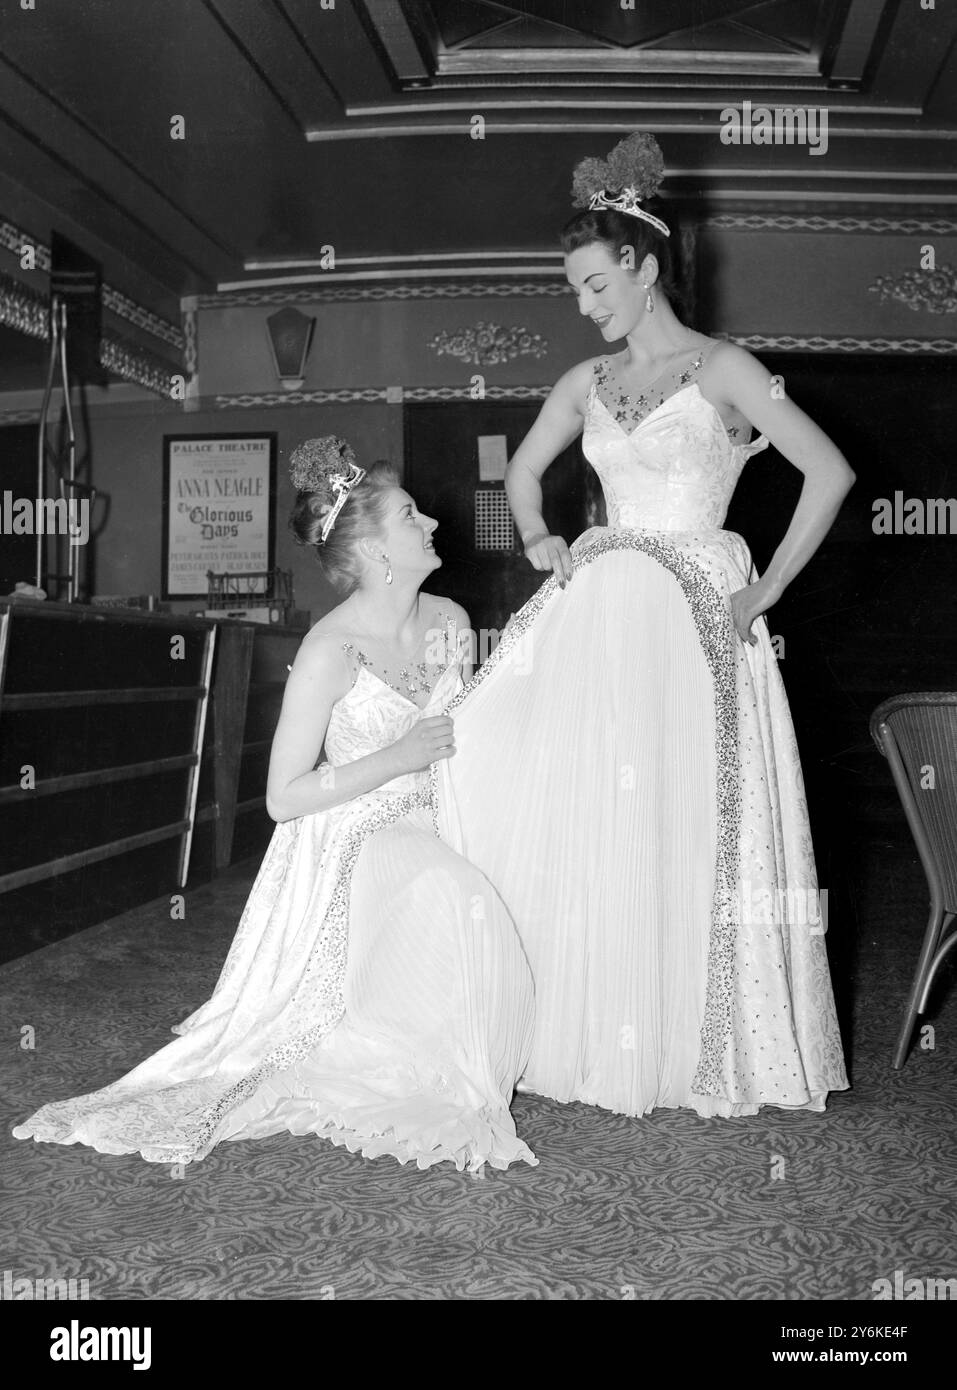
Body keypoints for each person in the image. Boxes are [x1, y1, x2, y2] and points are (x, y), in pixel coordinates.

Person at [434, 133, 852, 1118]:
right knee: (588, 804)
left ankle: (694, 1033)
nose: (583, 306)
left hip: (698, 613)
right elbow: (522, 472)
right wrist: (539, 536)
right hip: (606, 604)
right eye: (575, 290)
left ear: (642, 265)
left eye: (592, 284)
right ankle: (591, 1022)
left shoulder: (724, 369)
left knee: (694, 809)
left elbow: (829, 473)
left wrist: (769, 589)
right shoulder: (585, 384)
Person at [14, 438, 536, 1173]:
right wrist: (395, 758)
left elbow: (468, 737)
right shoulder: (328, 649)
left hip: (446, 808)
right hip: (356, 827)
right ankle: (436, 1063)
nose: (433, 525)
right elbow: (284, 797)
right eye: (411, 516)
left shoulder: (452, 618)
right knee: (457, 895)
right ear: (378, 552)